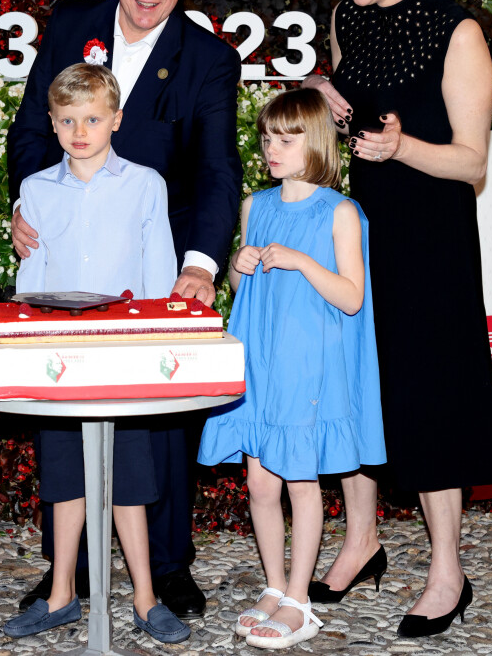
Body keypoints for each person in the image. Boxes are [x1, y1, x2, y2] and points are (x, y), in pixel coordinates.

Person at [6, 0, 242, 618]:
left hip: (152, 266)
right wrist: (24, 204)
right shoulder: (68, 23)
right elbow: (29, 131)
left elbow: (217, 171)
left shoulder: (208, 59)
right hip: (66, 264)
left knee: (155, 426)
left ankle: (166, 570)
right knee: (62, 413)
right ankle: (65, 576)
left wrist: (199, 264)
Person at [304, 0, 492, 638]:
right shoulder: (346, 15)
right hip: (359, 228)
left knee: (429, 397)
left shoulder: (457, 33)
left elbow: (473, 160)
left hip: (430, 237)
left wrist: (402, 148)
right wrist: (330, 94)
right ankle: (363, 538)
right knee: (357, 384)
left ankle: (449, 569)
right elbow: (352, 96)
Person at [3, 64, 189, 644]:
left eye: (91, 119)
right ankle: (60, 595)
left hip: (122, 354)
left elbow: (158, 271)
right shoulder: (35, 191)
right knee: (64, 480)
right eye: (67, 121)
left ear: (115, 120)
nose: (80, 131)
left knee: (129, 482)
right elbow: (28, 279)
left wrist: (161, 342)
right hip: (59, 358)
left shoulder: (144, 184)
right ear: (53, 125)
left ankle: (145, 598)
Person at [198, 89, 386, 649]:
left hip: (308, 367)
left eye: (286, 138)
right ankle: (276, 588)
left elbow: (352, 297)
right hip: (260, 360)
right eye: (267, 138)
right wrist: (239, 264)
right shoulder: (256, 205)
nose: (272, 148)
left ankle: (301, 600)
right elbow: (241, 289)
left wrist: (303, 261)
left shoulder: (342, 212)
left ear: (318, 141)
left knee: (301, 482)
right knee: (259, 482)